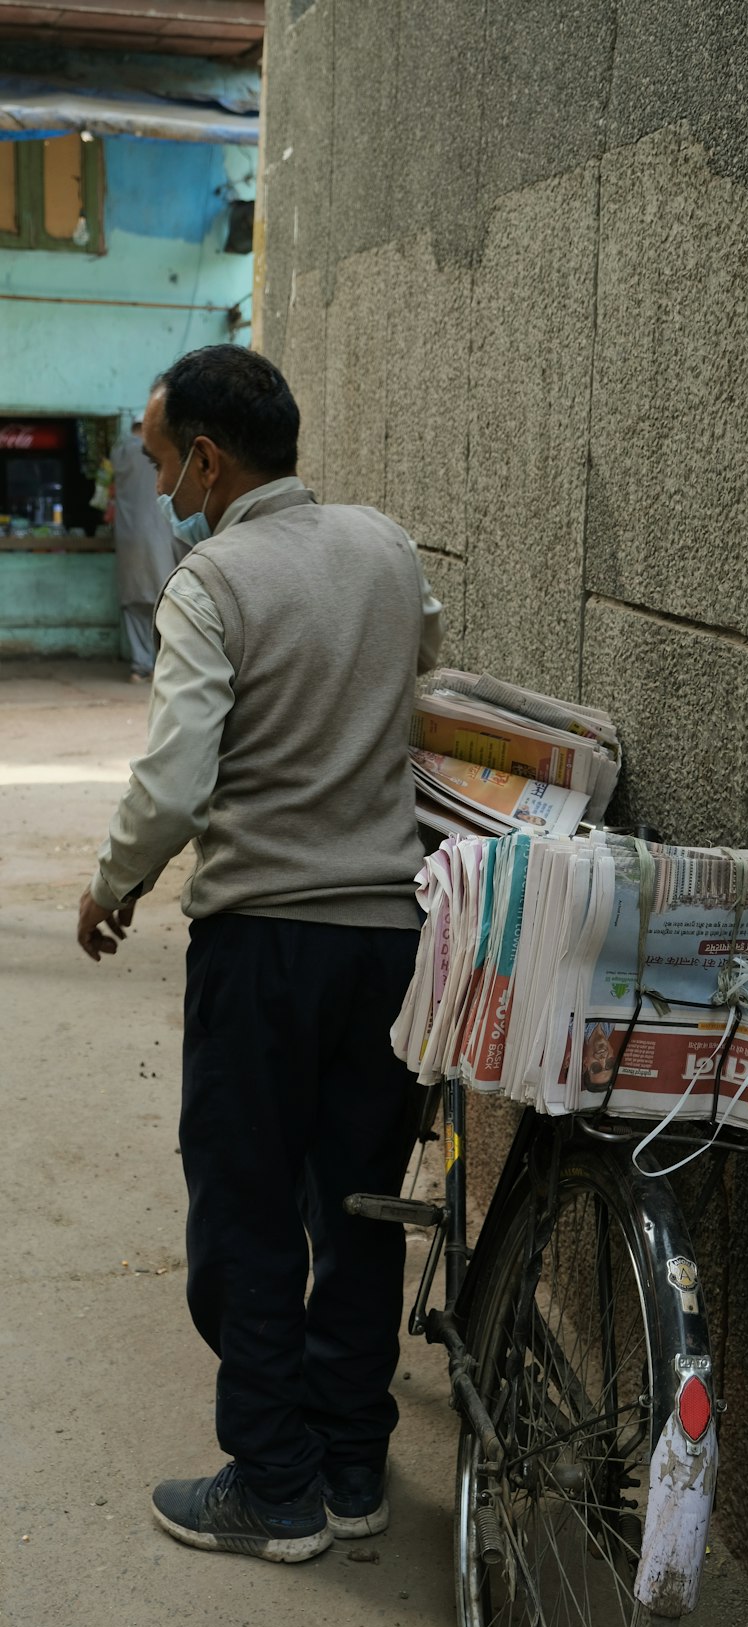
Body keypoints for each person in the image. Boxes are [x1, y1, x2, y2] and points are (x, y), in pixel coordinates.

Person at [77, 345, 443, 1564]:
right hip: (392, 945)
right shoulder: (388, 548)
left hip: (264, 948)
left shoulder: (211, 581)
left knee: (243, 1212)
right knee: (355, 1209)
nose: (149, 462)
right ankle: (350, 1462)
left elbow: (177, 781)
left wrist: (112, 881)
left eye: (155, 444)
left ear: (209, 459)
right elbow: (419, 667)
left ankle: (273, 1485)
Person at [110, 417, 179, 681]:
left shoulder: (119, 454)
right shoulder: (162, 453)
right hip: (160, 537)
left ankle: (141, 666)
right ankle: (162, 667)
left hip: (128, 539)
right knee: (163, 604)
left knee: (132, 604)